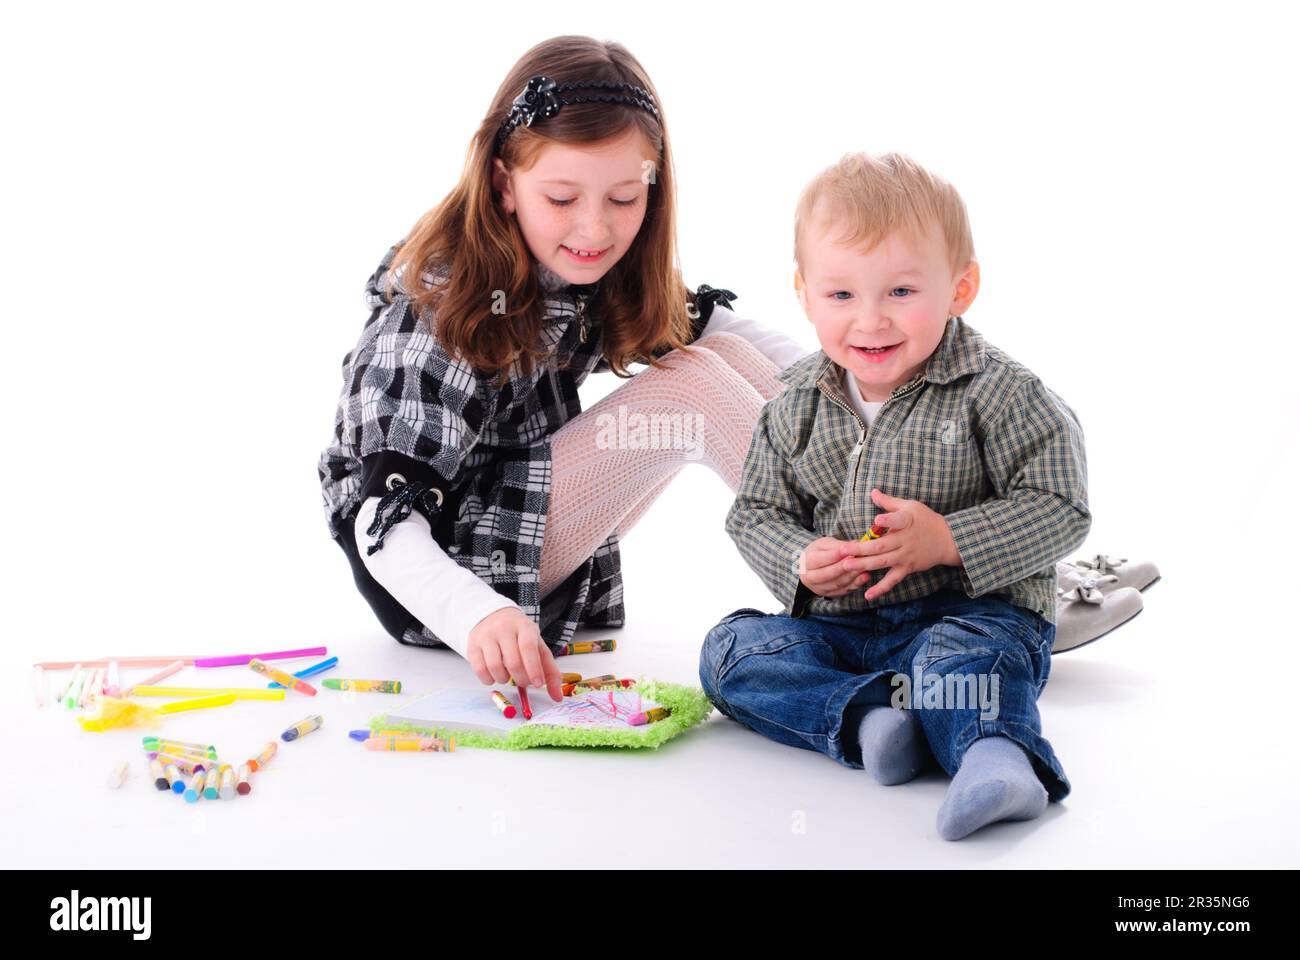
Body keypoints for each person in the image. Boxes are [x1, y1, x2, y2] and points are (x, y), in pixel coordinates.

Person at [318, 36, 806, 704]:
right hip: (440, 574)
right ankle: (857, 592)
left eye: (624, 198)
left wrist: (866, 392)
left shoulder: (579, 266)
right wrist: (476, 615)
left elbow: (723, 331)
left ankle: (873, 537)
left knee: (724, 360)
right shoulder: (441, 312)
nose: (595, 229)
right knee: (690, 392)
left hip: (515, 524)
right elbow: (381, 519)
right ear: (503, 185)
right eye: (562, 198)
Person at [699, 151, 1090, 840]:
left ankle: (997, 760)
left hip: (966, 615)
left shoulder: (998, 392)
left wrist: (949, 540)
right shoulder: (792, 404)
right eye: (841, 296)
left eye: (901, 293)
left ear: (960, 288)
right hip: (841, 629)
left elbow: (1061, 505)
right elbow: (755, 511)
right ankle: (870, 719)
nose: (871, 321)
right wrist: (801, 558)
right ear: (804, 293)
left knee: (963, 664)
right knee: (731, 651)